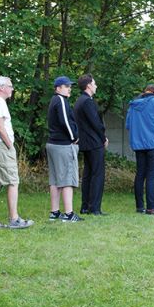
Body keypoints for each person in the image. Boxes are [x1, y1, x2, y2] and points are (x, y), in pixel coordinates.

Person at [0, 76, 34, 229]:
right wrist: (10, 145)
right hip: (1, 146)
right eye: (10, 86)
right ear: (1, 88)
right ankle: (14, 219)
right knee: (12, 181)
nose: (12, 89)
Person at [125, 84, 154, 215]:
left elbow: (128, 125)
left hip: (139, 145)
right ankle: (151, 208)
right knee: (151, 175)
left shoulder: (133, 105)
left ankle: (140, 207)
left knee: (140, 175)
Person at [47, 76, 83, 222]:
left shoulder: (54, 100)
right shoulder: (60, 100)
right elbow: (65, 121)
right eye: (67, 86)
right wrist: (74, 137)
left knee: (55, 179)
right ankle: (69, 214)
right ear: (58, 88)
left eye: (70, 86)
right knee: (67, 179)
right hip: (62, 145)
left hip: (53, 144)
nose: (70, 89)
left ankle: (54, 212)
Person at [74, 74, 108, 216]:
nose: (96, 86)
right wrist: (103, 138)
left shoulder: (79, 101)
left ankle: (85, 206)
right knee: (97, 174)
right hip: (94, 143)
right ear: (88, 85)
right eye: (94, 83)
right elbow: (96, 123)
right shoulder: (87, 101)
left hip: (85, 143)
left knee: (88, 174)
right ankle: (94, 207)